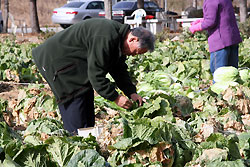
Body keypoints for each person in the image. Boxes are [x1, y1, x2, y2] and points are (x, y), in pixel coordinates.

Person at [32, 18, 155, 134]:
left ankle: (86, 138)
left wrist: (131, 92)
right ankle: (75, 142)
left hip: (74, 64)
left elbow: (119, 69)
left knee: (86, 103)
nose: (134, 55)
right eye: (136, 52)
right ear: (133, 39)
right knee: (75, 100)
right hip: (55, 61)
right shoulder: (106, 37)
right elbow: (96, 75)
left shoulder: (118, 40)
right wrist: (116, 98)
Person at [189, 0, 242, 80]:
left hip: (220, 42)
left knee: (219, 75)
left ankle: (218, 93)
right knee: (232, 75)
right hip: (232, 39)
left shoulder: (210, 1)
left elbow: (210, 22)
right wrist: (201, 21)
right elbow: (221, 16)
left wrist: (196, 27)